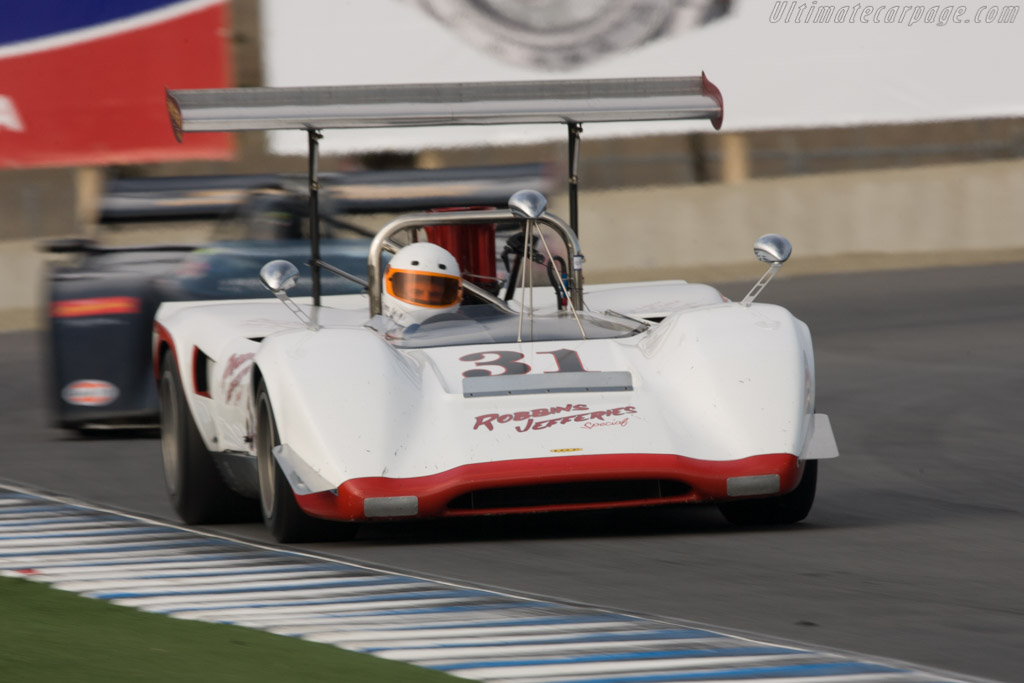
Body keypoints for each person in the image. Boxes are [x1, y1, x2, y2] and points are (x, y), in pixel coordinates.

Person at [382, 242, 463, 326]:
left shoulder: (467, 332)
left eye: (434, 294)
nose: (425, 298)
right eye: (416, 292)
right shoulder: (371, 336)